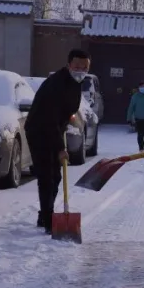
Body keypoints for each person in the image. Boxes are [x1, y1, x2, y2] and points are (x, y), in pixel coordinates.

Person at [25, 49, 89, 233]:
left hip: (54, 129)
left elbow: (66, 112)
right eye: (77, 66)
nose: (81, 70)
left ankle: (45, 214)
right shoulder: (56, 85)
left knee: (56, 177)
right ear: (69, 65)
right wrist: (61, 148)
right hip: (39, 129)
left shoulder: (75, 82)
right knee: (46, 176)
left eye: (84, 68)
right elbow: (49, 118)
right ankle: (47, 220)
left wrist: (69, 122)